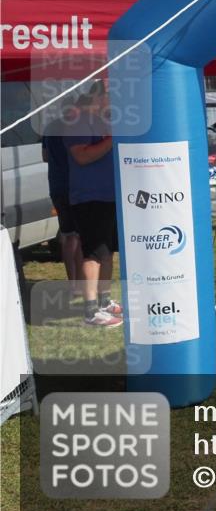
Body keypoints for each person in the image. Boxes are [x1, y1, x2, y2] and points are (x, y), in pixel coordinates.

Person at [64, 82, 121, 327]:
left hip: (107, 197)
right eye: (110, 95)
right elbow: (81, 156)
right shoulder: (77, 121)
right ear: (98, 95)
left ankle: (104, 301)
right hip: (89, 197)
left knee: (106, 252)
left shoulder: (101, 121)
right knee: (93, 253)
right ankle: (90, 311)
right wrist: (112, 139)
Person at [41, 103, 82, 285]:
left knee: (67, 235)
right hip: (77, 187)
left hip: (57, 186)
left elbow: (45, 156)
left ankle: (72, 282)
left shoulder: (50, 127)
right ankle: (82, 282)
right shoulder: (77, 126)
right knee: (80, 236)